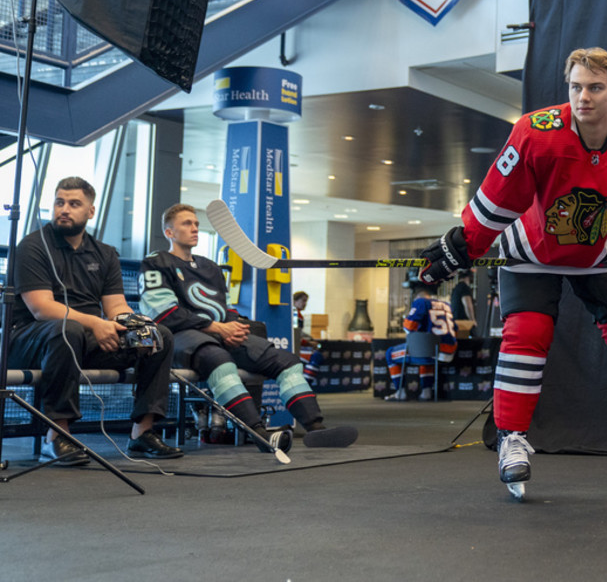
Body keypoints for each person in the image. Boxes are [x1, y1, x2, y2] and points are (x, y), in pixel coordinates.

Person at [419, 47, 607, 500]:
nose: (582, 97)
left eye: (595, 87)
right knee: (526, 336)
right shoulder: (535, 132)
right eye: (575, 87)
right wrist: (463, 246)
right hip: (531, 249)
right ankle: (511, 438)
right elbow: (496, 200)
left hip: (600, 252)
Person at [138, 203, 358, 450]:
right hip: (181, 337)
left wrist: (232, 327)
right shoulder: (156, 262)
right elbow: (165, 314)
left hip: (220, 334)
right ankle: (258, 433)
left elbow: (227, 307)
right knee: (220, 361)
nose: (195, 229)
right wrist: (219, 329)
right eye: (186, 224)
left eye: (197, 224)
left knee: (287, 362)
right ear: (169, 232)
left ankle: (316, 429)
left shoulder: (210, 267)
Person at [7, 177, 183, 464]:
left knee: (158, 336)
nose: (64, 209)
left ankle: (143, 434)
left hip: (84, 336)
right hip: (32, 338)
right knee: (67, 330)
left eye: (74, 204)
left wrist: (131, 323)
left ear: (90, 211)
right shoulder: (33, 246)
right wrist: (96, 324)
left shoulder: (104, 253)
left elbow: (115, 306)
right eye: (59, 202)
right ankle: (57, 435)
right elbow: (41, 308)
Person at [383, 281, 457, 401]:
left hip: (429, 351)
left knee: (390, 353)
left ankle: (400, 392)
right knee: (426, 352)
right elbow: (455, 328)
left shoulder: (420, 302)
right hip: (448, 351)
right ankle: (426, 392)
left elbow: (408, 327)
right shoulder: (446, 304)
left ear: (416, 296)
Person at [449, 270, 476, 336]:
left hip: (455, 322)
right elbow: (467, 304)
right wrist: (472, 320)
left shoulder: (456, 288)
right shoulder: (464, 287)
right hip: (463, 323)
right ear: (468, 277)